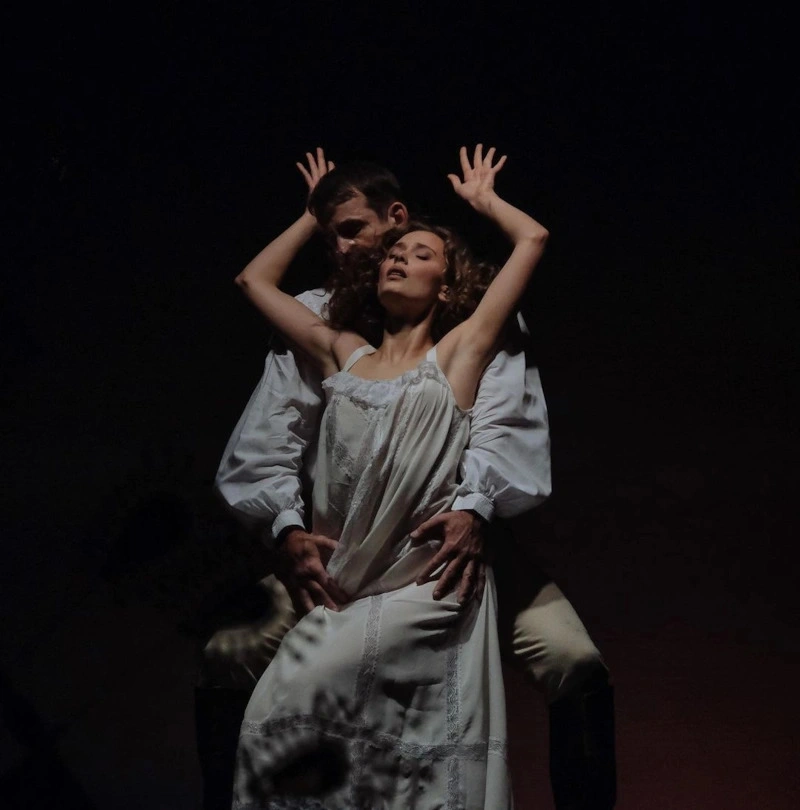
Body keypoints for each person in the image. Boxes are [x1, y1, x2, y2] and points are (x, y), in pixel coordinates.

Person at [209, 150, 616, 809]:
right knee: (231, 652)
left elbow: (503, 426)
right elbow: (270, 433)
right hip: (341, 550)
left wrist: (476, 510)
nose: (343, 249)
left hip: (448, 544)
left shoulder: (470, 327)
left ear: (395, 220)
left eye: (351, 230)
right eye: (328, 235)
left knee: (571, 657)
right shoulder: (329, 328)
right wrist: (286, 529)